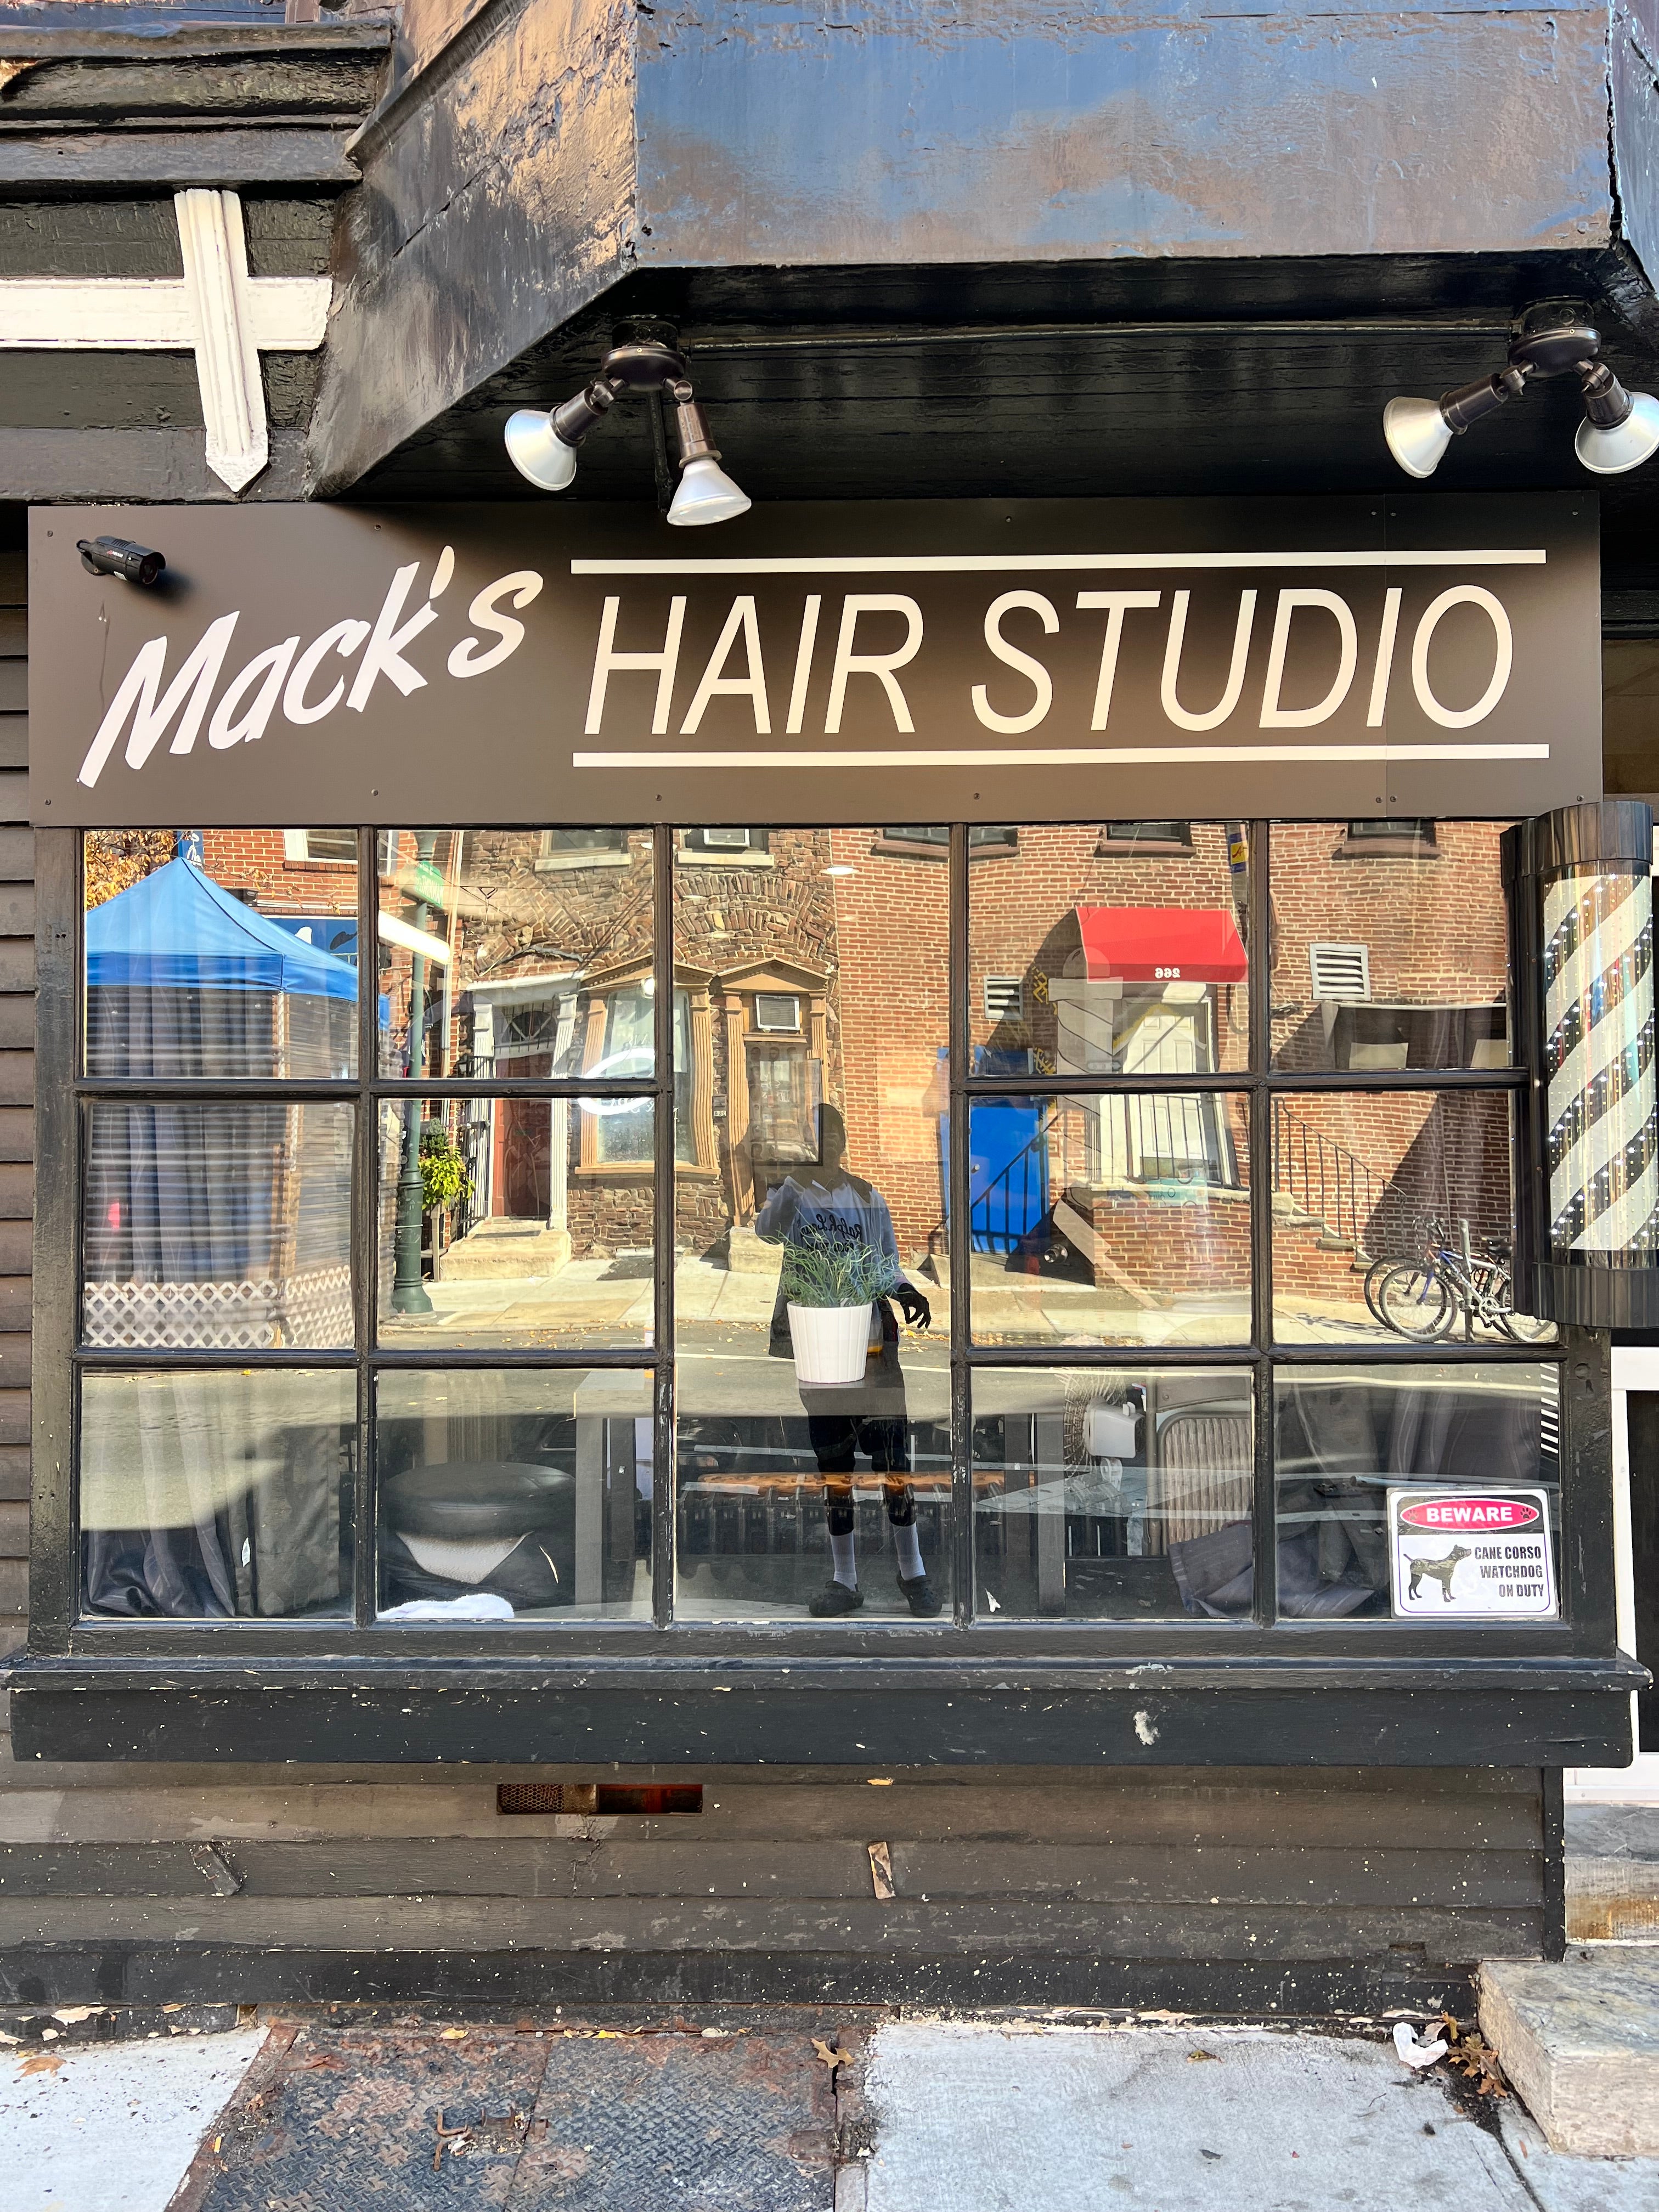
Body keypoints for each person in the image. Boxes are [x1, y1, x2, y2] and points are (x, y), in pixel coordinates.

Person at [755, 1104, 939, 1617]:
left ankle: (913, 1573)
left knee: (893, 1462)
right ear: (810, 1143)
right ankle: (845, 1580)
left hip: (873, 1344)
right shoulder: (792, 1192)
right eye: (820, 1136)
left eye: (836, 1134)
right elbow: (765, 1233)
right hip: (821, 1343)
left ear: (845, 1140)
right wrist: (793, 1185)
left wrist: (906, 1290)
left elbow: (885, 1263)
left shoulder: (866, 1196)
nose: (829, 1144)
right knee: (834, 1463)